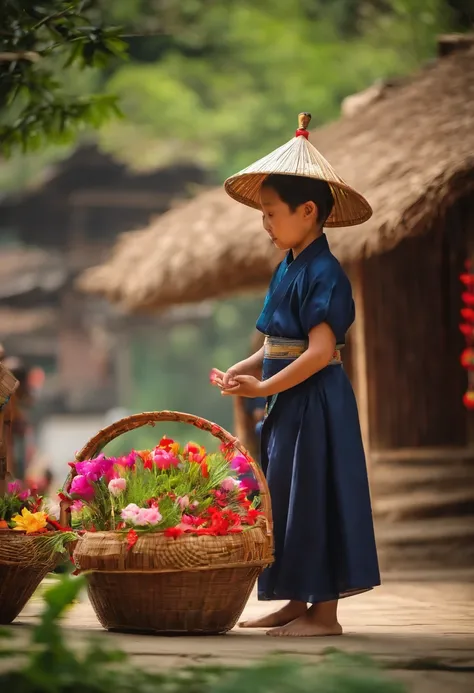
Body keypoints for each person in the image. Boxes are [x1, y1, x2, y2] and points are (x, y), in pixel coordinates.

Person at [211, 113, 380, 637]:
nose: (265, 223)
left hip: (317, 401)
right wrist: (242, 372)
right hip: (288, 402)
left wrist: (262, 386)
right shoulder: (288, 266)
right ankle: (294, 601)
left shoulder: (325, 272)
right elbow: (275, 345)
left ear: (308, 212)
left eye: (271, 213)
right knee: (285, 497)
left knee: (316, 496)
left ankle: (324, 614)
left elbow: (321, 350)